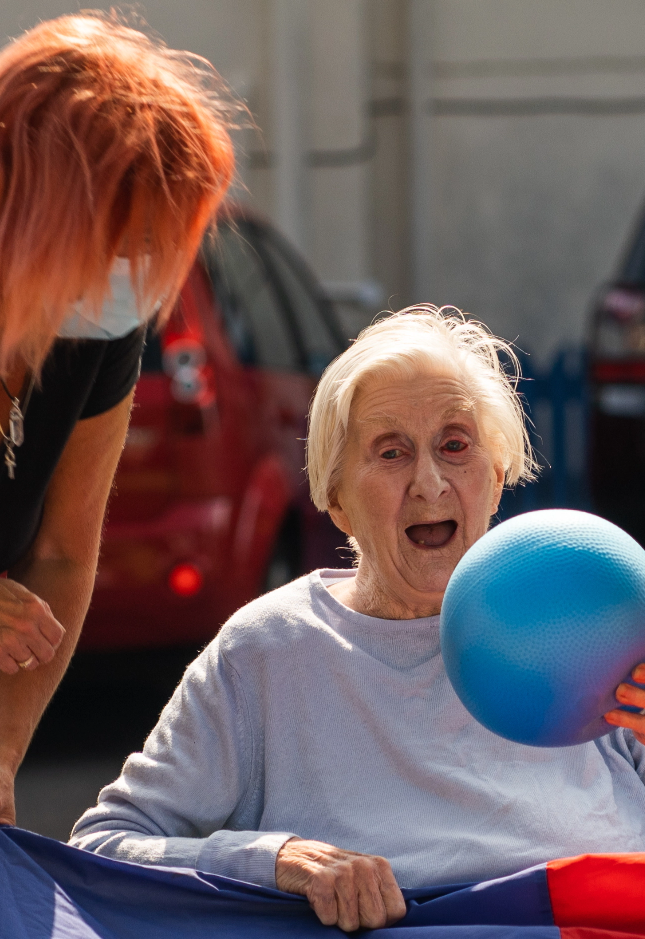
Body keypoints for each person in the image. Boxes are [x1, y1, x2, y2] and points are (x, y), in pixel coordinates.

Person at [70, 307, 645, 934]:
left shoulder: (597, 614)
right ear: (336, 499)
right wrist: (277, 860)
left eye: (455, 445)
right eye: (391, 453)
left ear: (498, 474)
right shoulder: (269, 651)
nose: (429, 483)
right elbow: (104, 846)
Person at [0, 12, 234, 837]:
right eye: (128, 244)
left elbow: (63, 550)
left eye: (162, 250)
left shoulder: (97, 330)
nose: (141, 281)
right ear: (28, 212)